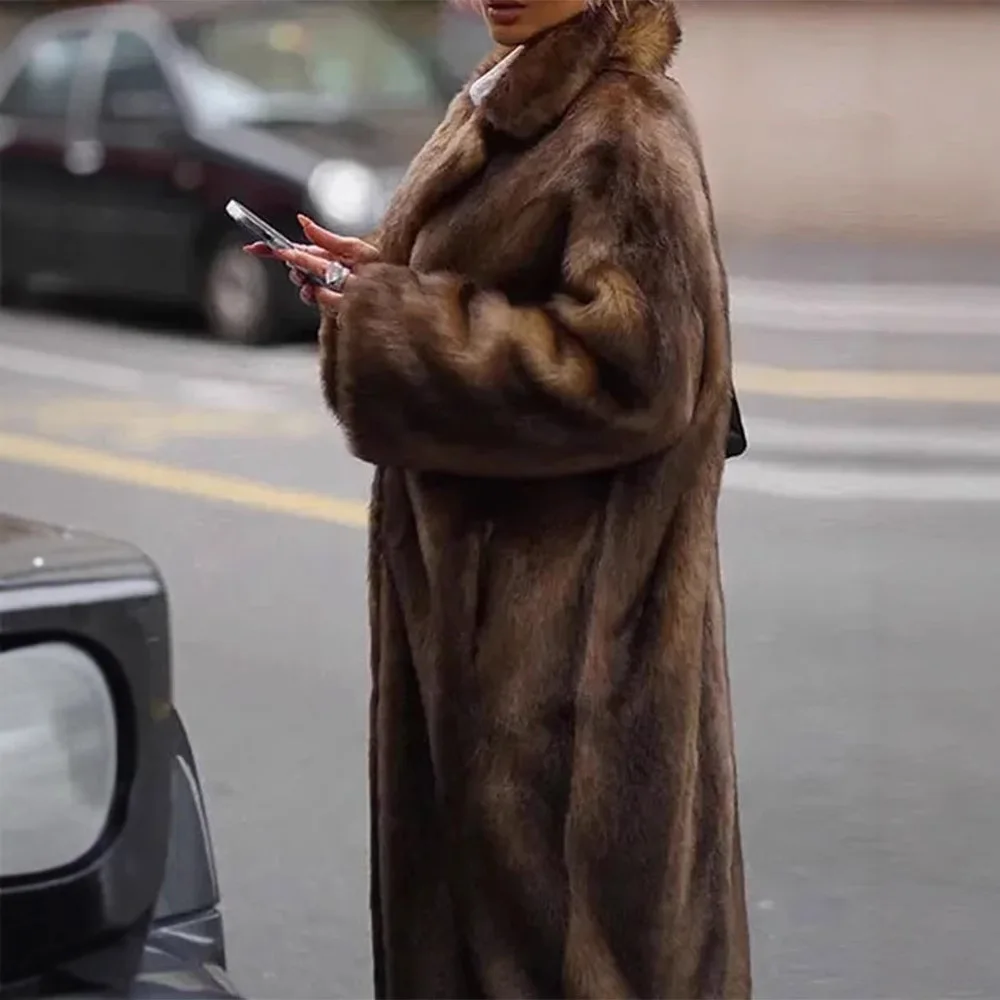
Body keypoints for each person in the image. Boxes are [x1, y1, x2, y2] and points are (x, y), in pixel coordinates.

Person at [248, 0, 750, 996]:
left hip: (565, 676)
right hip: (486, 643)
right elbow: (496, 288)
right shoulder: (508, 96)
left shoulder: (624, 126)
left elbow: (635, 377)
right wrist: (382, 276)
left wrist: (396, 323)